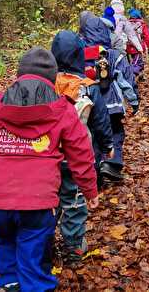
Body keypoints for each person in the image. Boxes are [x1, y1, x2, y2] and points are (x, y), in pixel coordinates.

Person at [0, 48, 99, 292]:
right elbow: (81, 155)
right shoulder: (63, 109)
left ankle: (10, 283)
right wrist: (90, 191)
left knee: (5, 240)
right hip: (38, 202)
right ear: (53, 79)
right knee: (33, 251)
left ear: (18, 75)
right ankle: (35, 286)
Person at [51, 31, 114, 264]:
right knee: (75, 200)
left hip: (48, 155)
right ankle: (74, 246)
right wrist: (108, 145)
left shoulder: (47, 85)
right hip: (78, 155)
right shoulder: (88, 87)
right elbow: (101, 121)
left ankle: (44, 240)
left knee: (50, 199)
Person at [79, 13, 139, 182]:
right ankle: (111, 163)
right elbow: (126, 80)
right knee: (116, 132)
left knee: (94, 136)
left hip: (88, 103)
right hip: (112, 103)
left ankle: (96, 170)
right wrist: (134, 101)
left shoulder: (81, 54)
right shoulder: (113, 54)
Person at [127, 8, 149, 79]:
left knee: (138, 60)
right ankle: (131, 76)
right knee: (137, 62)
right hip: (139, 46)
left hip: (129, 46)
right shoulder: (142, 24)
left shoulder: (127, 24)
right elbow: (147, 36)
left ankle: (141, 75)